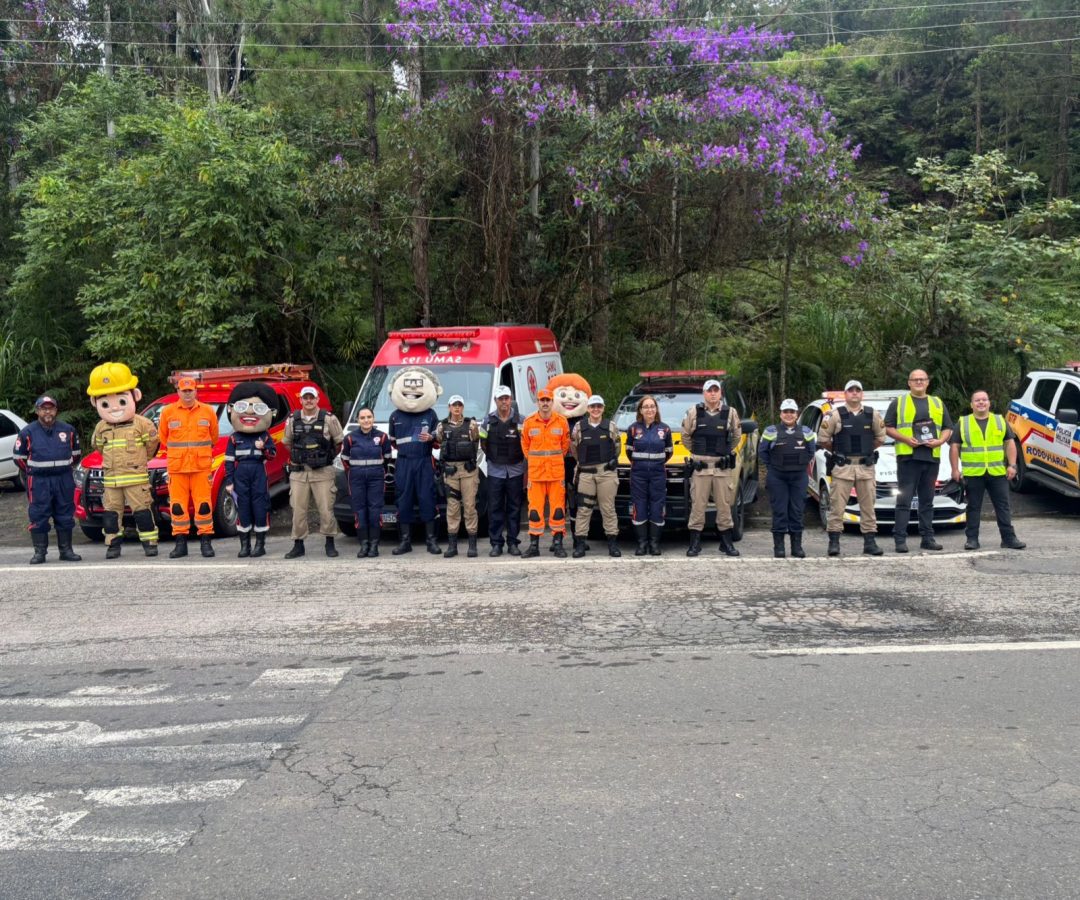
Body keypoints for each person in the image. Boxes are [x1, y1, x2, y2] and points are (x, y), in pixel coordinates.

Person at [86, 362, 160, 559]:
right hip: (112, 481)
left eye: (120, 400)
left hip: (136, 479)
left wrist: (140, 461)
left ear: (135, 395)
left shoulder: (143, 424)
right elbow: (99, 447)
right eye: (104, 403)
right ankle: (113, 545)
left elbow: (152, 445)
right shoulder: (101, 427)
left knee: (142, 511)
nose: (114, 408)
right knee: (111, 515)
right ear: (95, 403)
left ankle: (149, 543)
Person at [884, 369, 954, 552]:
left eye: (922, 379)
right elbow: (887, 428)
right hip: (908, 458)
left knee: (927, 501)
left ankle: (927, 538)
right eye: (915, 380)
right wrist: (906, 439)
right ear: (909, 383)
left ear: (928, 382)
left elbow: (948, 428)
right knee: (904, 500)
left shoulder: (937, 402)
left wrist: (940, 441)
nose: (919, 382)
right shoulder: (899, 403)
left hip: (931, 458)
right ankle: (900, 540)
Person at [949, 390, 1026, 551]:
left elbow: (1010, 443)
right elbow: (954, 446)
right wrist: (955, 469)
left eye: (984, 400)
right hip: (973, 473)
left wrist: (1012, 465)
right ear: (971, 405)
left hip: (997, 472)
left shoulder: (999, 420)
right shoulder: (963, 422)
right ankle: (972, 540)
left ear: (989, 403)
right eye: (977, 400)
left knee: (1003, 506)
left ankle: (1008, 538)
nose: (981, 403)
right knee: (973, 507)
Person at [817, 379, 886, 557]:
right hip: (843, 467)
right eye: (850, 390)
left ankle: (869, 543)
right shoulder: (835, 415)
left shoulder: (873, 415)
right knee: (837, 507)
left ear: (861, 394)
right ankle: (834, 543)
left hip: (865, 467)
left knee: (868, 507)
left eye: (858, 390)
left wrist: (866, 451)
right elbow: (823, 439)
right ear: (846, 394)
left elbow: (880, 438)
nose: (854, 393)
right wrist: (839, 451)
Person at [13, 394, 82, 564]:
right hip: (39, 481)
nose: (47, 412)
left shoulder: (68, 430)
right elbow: (19, 458)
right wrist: (35, 470)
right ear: (37, 411)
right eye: (44, 409)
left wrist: (59, 467)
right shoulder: (27, 432)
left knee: (65, 514)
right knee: (38, 514)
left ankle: (66, 551)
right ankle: (40, 553)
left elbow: (76, 455)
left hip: (63, 479)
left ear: (56, 410)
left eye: (51, 408)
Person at [159, 375, 219, 558]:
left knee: (203, 506)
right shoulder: (168, 412)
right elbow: (163, 438)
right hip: (177, 469)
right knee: (177, 507)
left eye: (190, 390)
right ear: (177, 392)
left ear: (195, 391)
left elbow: (214, 437)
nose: (187, 394)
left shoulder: (208, 411)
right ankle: (180, 544)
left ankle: (206, 542)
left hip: (201, 468)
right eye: (183, 390)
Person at [385, 366, 442, 556]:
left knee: (427, 498)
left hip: (424, 462)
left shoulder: (431, 414)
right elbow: (393, 441)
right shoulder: (395, 416)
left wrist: (432, 438)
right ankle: (405, 541)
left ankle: (431, 541)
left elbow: (437, 439)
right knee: (403, 500)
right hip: (403, 463)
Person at [282, 385, 344, 559]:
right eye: (305, 398)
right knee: (298, 510)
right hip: (299, 473)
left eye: (312, 397)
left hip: (323, 472)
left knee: (326, 509)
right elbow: (287, 443)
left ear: (317, 399)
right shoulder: (293, 419)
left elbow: (339, 442)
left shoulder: (329, 419)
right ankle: (298, 544)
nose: (308, 401)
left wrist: (326, 457)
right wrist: (300, 457)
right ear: (300, 400)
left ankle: (330, 543)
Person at [683, 379, 742, 557]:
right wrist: (696, 452)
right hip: (700, 469)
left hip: (721, 469)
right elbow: (686, 436)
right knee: (698, 506)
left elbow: (736, 437)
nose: (713, 394)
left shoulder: (730, 413)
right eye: (710, 391)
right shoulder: (694, 412)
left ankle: (726, 543)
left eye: (716, 390)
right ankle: (695, 544)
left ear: (720, 393)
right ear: (704, 393)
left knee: (724, 506)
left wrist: (724, 451)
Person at [223, 382, 278, 558]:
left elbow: (273, 455)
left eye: (258, 408)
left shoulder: (265, 436)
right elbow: (229, 461)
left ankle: (260, 545)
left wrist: (263, 448)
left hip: (258, 473)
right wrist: (230, 482)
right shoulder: (233, 438)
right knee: (243, 508)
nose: (249, 412)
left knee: (260, 507)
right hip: (240, 475)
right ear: (232, 409)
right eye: (242, 406)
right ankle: (244, 545)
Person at [760, 398, 816, 558]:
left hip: (799, 477)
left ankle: (796, 547)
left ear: (797, 414)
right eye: (786, 411)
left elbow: (811, 452)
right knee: (779, 511)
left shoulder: (807, 432)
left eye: (792, 412)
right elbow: (762, 452)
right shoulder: (771, 431)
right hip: (777, 477)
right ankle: (779, 548)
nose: (789, 415)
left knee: (797, 511)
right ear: (780, 414)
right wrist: (773, 468)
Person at [521, 387, 571, 558]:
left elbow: (565, 446)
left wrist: (552, 461)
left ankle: (557, 544)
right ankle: (534, 545)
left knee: (558, 510)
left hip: (556, 475)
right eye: (542, 400)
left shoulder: (561, 422)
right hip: (536, 475)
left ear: (552, 402)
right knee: (534, 511)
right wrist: (537, 462)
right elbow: (525, 447)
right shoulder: (529, 422)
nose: (545, 403)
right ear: (538, 402)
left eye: (547, 400)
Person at [570, 395, 622, 558]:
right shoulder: (579, 427)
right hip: (586, 473)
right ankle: (580, 544)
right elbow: (574, 449)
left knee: (608, 509)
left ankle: (612, 544)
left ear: (603, 408)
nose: (596, 409)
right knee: (583, 510)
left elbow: (617, 448)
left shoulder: (611, 427)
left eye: (599, 406)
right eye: (593, 406)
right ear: (587, 409)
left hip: (606, 473)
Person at [340, 406, 391, 558]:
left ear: (373, 418)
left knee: (375, 511)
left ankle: (374, 545)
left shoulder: (382, 437)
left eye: (369, 417)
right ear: (358, 420)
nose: (366, 420)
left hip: (376, 477)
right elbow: (345, 459)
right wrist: (357, 471)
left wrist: (374, 469)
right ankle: (364, 545)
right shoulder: (350, 438)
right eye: (362, 418)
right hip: (356, 478)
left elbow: (387, 458)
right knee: (359, 511)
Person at [625, 394, 673, 556]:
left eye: (652, 406)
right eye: (646, 406)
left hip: (658, 474)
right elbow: (628, 452)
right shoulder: (633, 428)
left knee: (657, 506)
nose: (649, 409)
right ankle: (642, 544)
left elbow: (669, 452)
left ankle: (654, 544)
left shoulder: (664, 429)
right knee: (639, 506)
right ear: (640, 410)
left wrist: (655, 463)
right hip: (638, 474)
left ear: (656, 409)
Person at [479, 385, 524, 557]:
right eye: (501, 399)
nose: (504, 401)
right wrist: (493, 458)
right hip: (495, 471)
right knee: (495, 508)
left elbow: (526, 443)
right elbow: (482, 443)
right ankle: (496, 543)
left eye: (506, 398)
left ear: (510, 399)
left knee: (514, 508)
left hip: (516, 471)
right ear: (495, 401)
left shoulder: (521, 420)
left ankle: (513, 542)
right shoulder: (487, 421)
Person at [435, 395, 481, 558]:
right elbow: (438, 442)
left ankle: (472, 545)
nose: (457, 408)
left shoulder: (471, 424)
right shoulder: (442, 426)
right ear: (449, 407)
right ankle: (452, 545)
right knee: (452, 508)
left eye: (459, 405)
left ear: (463, 407)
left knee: (469, 507)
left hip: (468, 471)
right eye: (454, 405)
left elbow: (476, 442)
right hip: (451, 472)